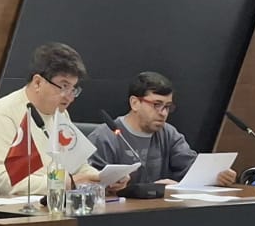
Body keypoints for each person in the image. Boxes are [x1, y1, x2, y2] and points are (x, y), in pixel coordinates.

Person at [0, 41, 101, 197]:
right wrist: (67, 183)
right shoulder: (2, 115)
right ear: (38, 82)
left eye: (73, 89)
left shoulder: (60, 114)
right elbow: (6, 182)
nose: (70, 97)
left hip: (45, 204)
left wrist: (102, 179)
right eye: (64, 86)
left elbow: (79, 166)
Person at [90, 71, 237, 187]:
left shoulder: (168, 133)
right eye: (157, 105)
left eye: (167, 107)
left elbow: (190, 167)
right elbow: (90, 183)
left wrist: (216, 175)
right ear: (135, 103)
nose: (163, 113)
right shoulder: (105, 136)